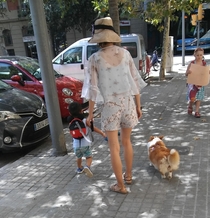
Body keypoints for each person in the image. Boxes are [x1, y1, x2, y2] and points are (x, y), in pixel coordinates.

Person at [82, 17, 147, 194]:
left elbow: (92, 89)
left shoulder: (94, 59)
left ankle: (121, 186)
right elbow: (134, 80)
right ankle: (129, 176)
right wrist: (138, 105)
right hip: (128, 103)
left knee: (114, 147)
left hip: (110, 105)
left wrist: (89, 114)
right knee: (127, 141)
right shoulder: (125, 54)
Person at [68, 102, 106, 177]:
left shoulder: (70, 122)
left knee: (78, 157)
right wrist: (102, 133)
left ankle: (79, 168)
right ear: (81, 111)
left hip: (76, 145)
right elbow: (93, 128)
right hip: (85, 143)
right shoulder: (85, 120)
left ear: (70, 112)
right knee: (88, 156)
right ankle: (87, 166)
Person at [185, 47, 209, 118]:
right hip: (192, 84)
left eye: (201, 55)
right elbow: (186, 74)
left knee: (199, 98)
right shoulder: (192, 63)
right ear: (194, 55)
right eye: (197, 55)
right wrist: (188, 72)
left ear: (203, 55)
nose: (199, 57)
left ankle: (197, 111)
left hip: (200, 83)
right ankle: (190, 106)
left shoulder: (204, 64)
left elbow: (206, 73)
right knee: (192, 98)